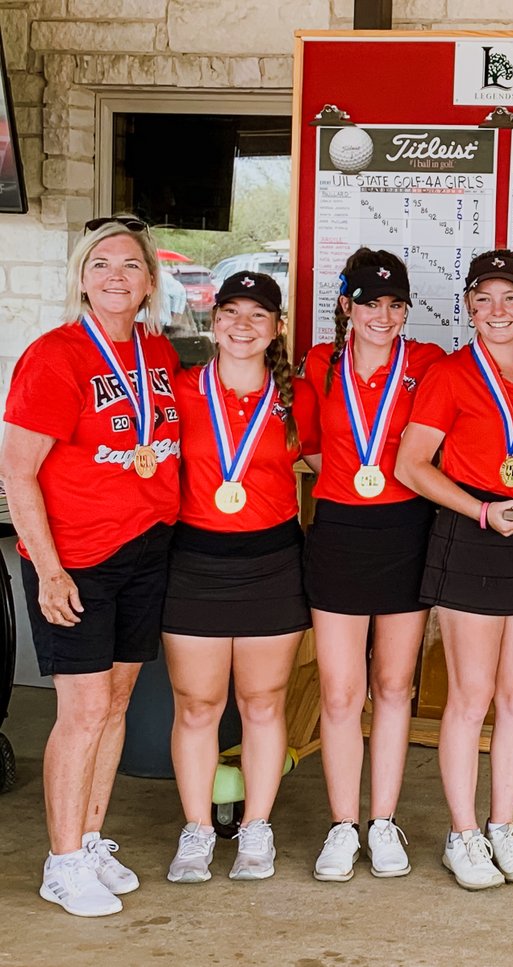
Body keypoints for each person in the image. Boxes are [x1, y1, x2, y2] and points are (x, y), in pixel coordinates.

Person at [0, 216, 180, 916]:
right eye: (100, 263)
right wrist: (47, 568)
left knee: (115, 705)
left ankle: (92, 837)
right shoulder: (54, 356)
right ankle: (62, 858)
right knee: (80, 712)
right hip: (75, 559)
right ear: (81, 278)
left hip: (144, 549)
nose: (115, 276)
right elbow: (18, 473)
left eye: (130, 265)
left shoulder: (158, 354)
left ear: (148, 283)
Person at [397, 249, 513, 891]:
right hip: (472, 533)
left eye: (511, 299)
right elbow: (411, 466)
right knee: (471, 695)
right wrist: (482, 511)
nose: (498, 311)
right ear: (469, 307)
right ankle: (463, 833)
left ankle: (503, 823)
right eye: (485, 299)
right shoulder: (447, 374)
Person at [161, 271, 317, 883]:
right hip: (194, 563)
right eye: (230, 312)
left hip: (273, 564)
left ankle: (256, 828)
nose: (242, 325)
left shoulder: (298, 397)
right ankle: (197, 830)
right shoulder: (180, 390)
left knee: (261, 702)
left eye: (258, 315)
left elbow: (338, 465)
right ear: (213, 321)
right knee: (197, 706)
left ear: (278, 327)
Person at [299, 248, 445, 882]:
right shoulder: (317, 363)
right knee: (339, 691)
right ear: (346, 305)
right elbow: (306, 447)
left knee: (392, 686)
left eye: (394, 305)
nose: (381, 316)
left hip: (408, 530)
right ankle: (341, 826)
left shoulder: (431, 363)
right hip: (337, 531)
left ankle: (382, 821)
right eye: (368, 303)